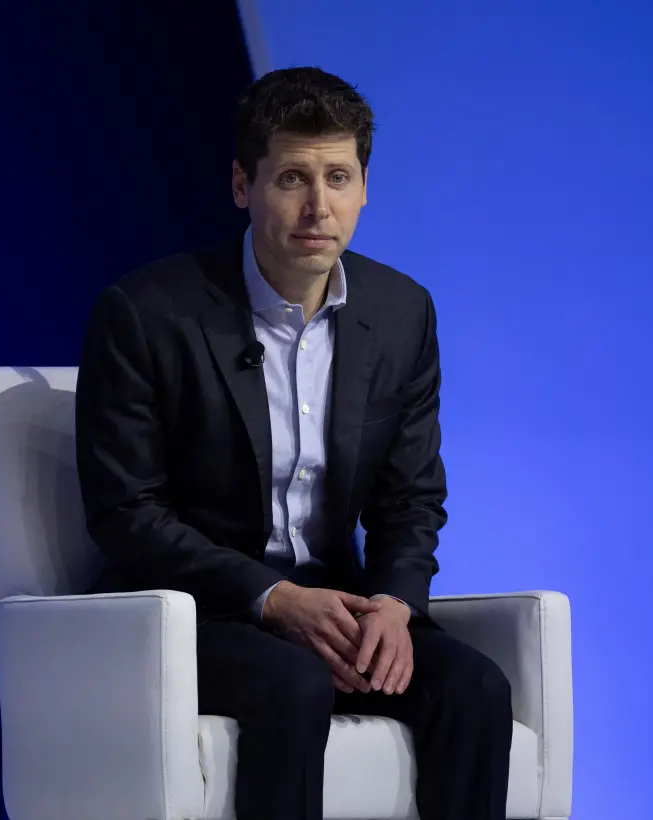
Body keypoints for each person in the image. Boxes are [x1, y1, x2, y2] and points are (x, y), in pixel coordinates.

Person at [74, 66, 513, 820]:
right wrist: (274, 598)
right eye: (292, 179)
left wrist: (394, 607)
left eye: (339, 177)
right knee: (294, 681)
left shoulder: (401, 313)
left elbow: (411, 496)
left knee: (475, 687)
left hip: (338, 606)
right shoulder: (147, 313)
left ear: (365, 187)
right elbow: (127, 513)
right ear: (243, 185)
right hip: (194, 614)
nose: (319, 207)